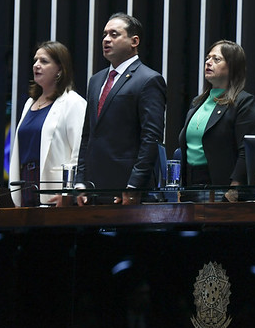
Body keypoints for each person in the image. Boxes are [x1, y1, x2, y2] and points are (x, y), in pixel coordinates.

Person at [75, 13, 167, 205]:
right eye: (104, 35)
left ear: (134, 41)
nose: (106, 39)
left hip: (126, 188)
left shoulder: (148, 79)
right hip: (93, 188)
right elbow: (88, 135)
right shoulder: (96, 80)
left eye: (114, 34)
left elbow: (151, 137)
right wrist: (80, 182)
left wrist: (135, 185)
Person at [9, 41, 86, 207]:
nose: (36, 65)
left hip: (54, 189)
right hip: (26, 182)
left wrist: (68, 192)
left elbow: (79, 152)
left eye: (44, 61)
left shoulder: (73, 102)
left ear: (59, 69)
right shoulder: (30, 103)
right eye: (35, 60)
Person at [177, 40, 255, 186]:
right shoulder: (197, 102)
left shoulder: (243, 103)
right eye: (208, 58)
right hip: (190, 185)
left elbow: (246, 151)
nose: (208, 62)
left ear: (232, 67)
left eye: (216, 59)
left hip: (221, 186)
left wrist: (236, 187)